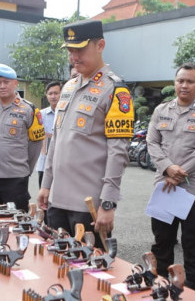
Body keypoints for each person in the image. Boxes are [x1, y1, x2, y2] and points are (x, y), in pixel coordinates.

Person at [37, 20, 134, 247]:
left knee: (91, 270)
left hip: (87, 206)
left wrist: (108, 203)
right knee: (56, 265)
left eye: (80, 49)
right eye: (70, 50)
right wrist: (46, 184)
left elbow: (118, 152)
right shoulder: (69, 87)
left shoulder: (115, 90)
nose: (74, 56)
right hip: (57, 201)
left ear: (100, 45)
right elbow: (57, 139)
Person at [146, 63, 195, 290]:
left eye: (190, 81)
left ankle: (189, 288)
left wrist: (177, 174)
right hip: (165, 188)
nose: (184, 85)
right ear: (174, 83)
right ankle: (159, 284)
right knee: (162, 241)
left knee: (193, 243)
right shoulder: (162, 110)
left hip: (193, 191)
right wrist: (168, 168)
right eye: (180, 81)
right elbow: (152, 142)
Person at [0, 64, 44, 211]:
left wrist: (23, 169)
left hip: (15, 179)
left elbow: (35, 145)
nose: (2, 86)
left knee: (16, 222)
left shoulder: (29, 110)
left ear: (15, 83)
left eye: (6, 82)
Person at [35, 80, 60, 188]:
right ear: (46, 96)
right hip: (44, 164)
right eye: (50, 94)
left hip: (62, 165)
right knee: (44, 197)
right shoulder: (41, 114)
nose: (53, 96)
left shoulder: (68, 113)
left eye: (56, 93)